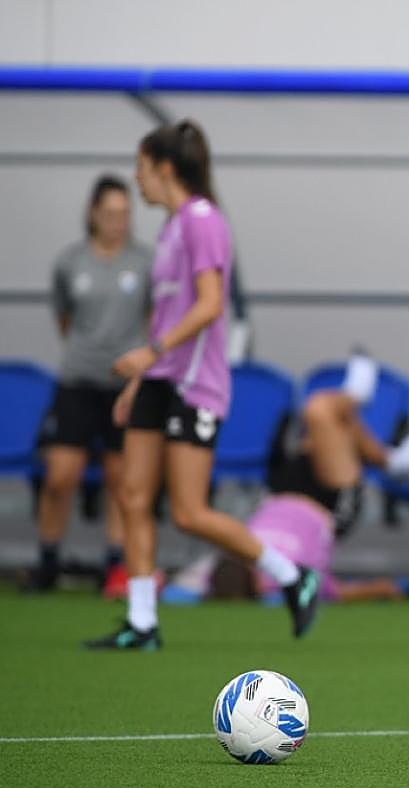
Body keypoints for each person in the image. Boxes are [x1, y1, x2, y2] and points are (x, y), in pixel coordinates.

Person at [84, 120, 318, 650]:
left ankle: (290, 575)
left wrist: (152, 353)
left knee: (189, 512)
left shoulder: (202, 220)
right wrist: (140, 378)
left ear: (165, 168)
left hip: (193, 384)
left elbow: (211, 305)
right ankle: (142, 622)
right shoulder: (168, 229)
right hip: (159, 378)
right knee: (132, 494)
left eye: (141, 167)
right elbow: (166, 314)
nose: (136, 179)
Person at [165, 382, 409, 604]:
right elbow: (336, 591)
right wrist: (381, 589)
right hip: (330, 507)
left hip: (280, 492)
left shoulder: (226, 561)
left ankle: (392, 460)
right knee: (319, 411)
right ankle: (364, 408)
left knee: (324, 429)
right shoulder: (282, 576)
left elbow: (178, 586)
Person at [24, 175, 152, 593]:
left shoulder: (145, 261)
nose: (118, 221)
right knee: (61, 476)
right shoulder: (70, 262)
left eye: (125, 213)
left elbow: (156, 321)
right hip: (78, 380)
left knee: (120, 479)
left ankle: (114, 566)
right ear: (94, 213)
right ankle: (48, 562)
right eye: (111, 212)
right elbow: (64, 318)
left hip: (125, 387)